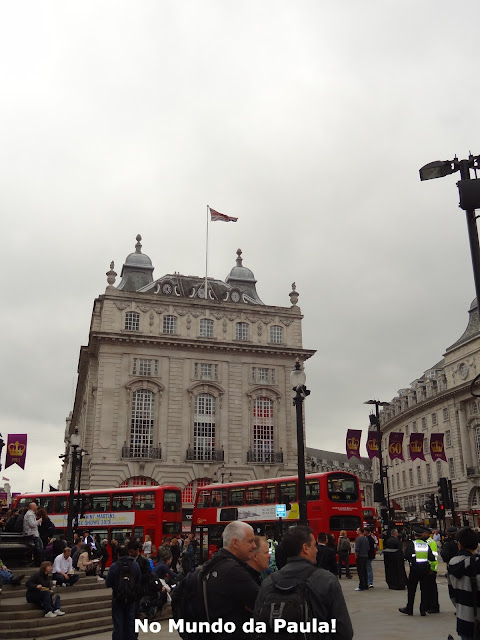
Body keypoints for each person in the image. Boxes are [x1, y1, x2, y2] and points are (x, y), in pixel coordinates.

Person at [254, 525, 353, 640]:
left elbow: (257, 626)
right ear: (305, 548)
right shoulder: (326, 580)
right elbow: (344, 631)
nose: (316, 550)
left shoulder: (268, 583)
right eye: (314, 546)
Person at [201, 521, 259, 636]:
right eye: (250, 541)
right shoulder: (233, 571)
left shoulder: (210, 565)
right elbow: (261, 603)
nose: (254, 546)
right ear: (235, 543)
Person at [448, 526, 480, 640]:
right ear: (476, 545)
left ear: (459, 544)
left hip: (463, 619)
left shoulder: (452, 564)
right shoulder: (477, 564)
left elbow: (452, 595)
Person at [106, 545, 142, 640]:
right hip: (131, 598)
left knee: (118, 623)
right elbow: (139, 581)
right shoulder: (135, 565)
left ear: (118, 554)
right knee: (131, 621)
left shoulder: (114, 566)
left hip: (118, 598)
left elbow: (108, 583)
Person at [399, 527, 435, 616]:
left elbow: (406, 555)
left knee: (411, 590)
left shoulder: (412, 544)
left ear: (415, 535)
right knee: (424, 590)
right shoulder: (426, 545)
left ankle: (409, 609)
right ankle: (422, 610)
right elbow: (432, 557)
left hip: (415, 569)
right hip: (425, 569)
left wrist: (412, 559)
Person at [426, 528, 440, 613]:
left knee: (432, 589)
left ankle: (434, 606)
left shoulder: (431, 543)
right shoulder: (426, 542)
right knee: (428, 589)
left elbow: (434, 557)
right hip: (427, 568)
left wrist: (431, 568)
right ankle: (429, 605)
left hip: (431, 569)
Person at [354, 527, 369, 591]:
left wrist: (356, 555)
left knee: (360, 571)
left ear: (360, 531)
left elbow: (357, 549)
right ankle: (366, 585)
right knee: (365, 571)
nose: (356, 531)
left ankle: (361, 586)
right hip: (365, 556)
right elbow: (368, 548)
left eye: (357, 530)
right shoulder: (366, 539)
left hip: (360, 556)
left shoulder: (358, 539)